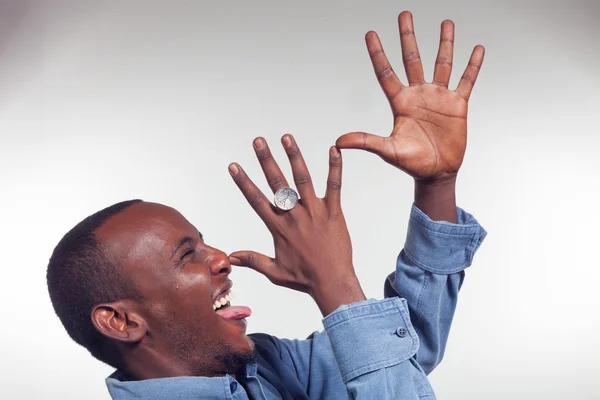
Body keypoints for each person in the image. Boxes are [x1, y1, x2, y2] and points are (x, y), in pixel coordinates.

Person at [46, 11, 486, 399]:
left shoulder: (269, 367)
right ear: (120, 322)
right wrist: (336, 286)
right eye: (186, 257)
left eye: (203, 245)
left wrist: (436, 184)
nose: (221, 259)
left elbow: (400, 351)